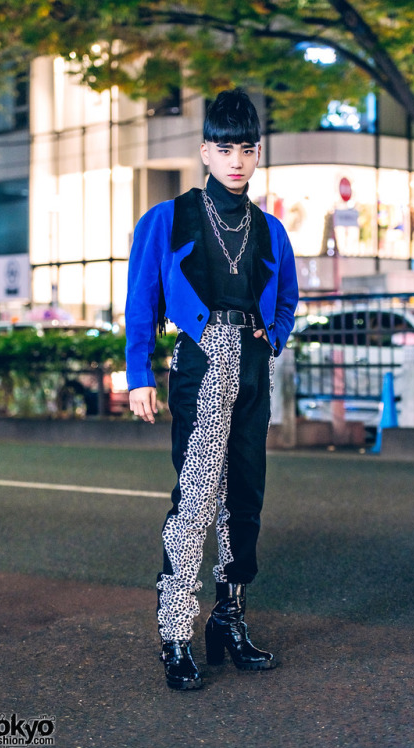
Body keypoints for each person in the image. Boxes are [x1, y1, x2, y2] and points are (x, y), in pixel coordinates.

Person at [125, 89, 298, 690]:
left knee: (245, 497)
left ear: (257, 155)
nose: (236, 161)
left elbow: (288, 297)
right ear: (205, 151)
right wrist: (139, 374)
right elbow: (141, 298)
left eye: (247, 150)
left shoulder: (271, 229)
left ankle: (229, 621)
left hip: (252, 363)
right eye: (224, 149)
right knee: (196, 498)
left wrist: (272, 336)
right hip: (202, 361)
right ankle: (175, 633)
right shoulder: (168, 218)